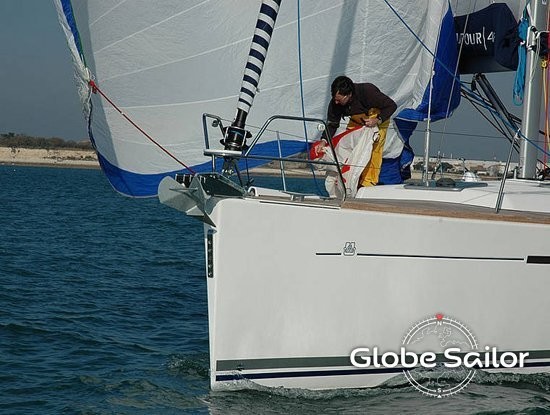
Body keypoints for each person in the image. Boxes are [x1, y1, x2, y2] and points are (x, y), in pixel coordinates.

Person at [322, 75, 397, 187]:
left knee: (373, 150)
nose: (336, 102)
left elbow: (391, 105)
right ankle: (348, 180)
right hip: (356, 121)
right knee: (348, 148)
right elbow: (332, 124)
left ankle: (368, 182)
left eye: (339, 100)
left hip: (377, 120)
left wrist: (377, 120)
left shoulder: (368, 92)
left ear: (349, 95)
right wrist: (324, 140)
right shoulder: (335, 103)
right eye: (334, 98)